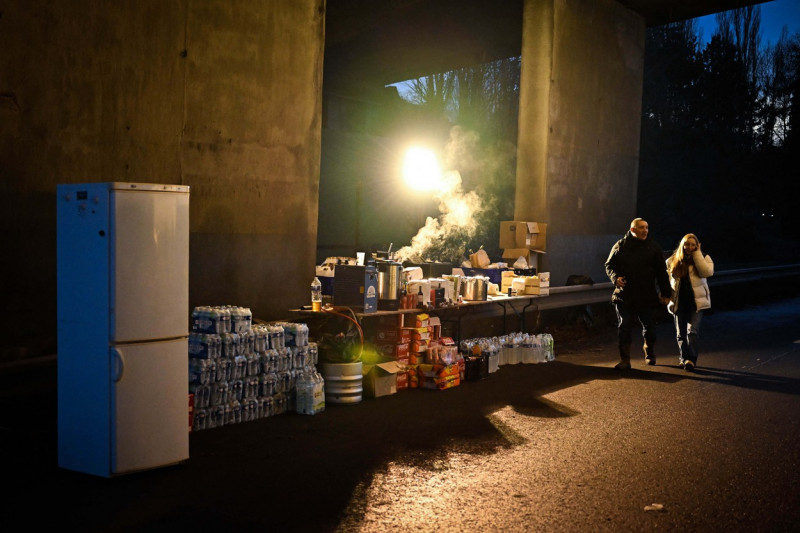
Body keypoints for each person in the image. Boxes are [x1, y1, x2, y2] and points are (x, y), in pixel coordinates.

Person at [605, 218, 672, 370]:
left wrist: (665, 292)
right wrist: (615, 278)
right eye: (641, 228)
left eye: (647, 227)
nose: (645, 230)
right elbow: (609, 265)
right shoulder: (621, 245)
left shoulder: (653, 247)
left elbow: (662, 272)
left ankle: (649, 350)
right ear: (633, 230)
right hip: (625, 294)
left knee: (650, 327)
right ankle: (625, 360)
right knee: (624, 327)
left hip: (646, 295)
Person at [665, 233, 714, 372]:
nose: (689, 247)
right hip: (679, 302)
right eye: (687, 244)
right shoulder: (672, 260)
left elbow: (706, 273)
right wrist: (666, 297)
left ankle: (691, 360)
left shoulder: (704, 258)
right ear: (682, 245)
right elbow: (668, 281)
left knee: (692, 333)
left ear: (697, 246)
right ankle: (683, 358)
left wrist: (697, 254)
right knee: (680, 334)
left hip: (696, 303)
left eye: (693, 245)